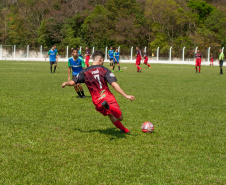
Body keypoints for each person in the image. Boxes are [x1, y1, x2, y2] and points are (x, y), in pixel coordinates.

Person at [62, 51, 135, 133]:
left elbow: (72, 82)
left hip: (97, 101)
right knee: (120, 117)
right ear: (100, 59)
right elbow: (114, 84)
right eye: (103, 60)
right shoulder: (103, 69)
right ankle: (109, 108)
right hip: (107, 97)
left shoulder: (84, 72)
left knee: (110, 115)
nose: (103, 62)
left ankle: (125, 130)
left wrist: (66, 83)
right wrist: (126, 95)